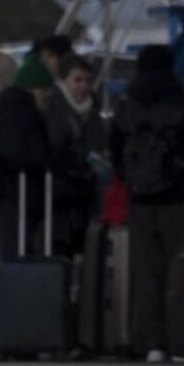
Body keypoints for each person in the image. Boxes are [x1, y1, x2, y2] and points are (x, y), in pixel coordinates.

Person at [108, 44, 184, 362]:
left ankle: (151, 342)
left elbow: (115, 151)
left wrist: (131, 183)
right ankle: (181, 340)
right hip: (181, 199)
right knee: (181, 272)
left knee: (147, 273)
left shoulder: (126, 104)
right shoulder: (182, 102)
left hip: (141, 202)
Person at [0, 52, 55, 259]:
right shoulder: (22, 109)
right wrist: (44, 158)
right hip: (13, 193)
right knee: (17, 250)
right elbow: (14, 151)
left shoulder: (0, 106)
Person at [45, 52, 105, 257]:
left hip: (85, 192)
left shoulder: (93, 111)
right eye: (77, 80)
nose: (83, 86)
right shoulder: (52, 108)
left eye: (87, 80)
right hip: (59, 193)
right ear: (64, 81)